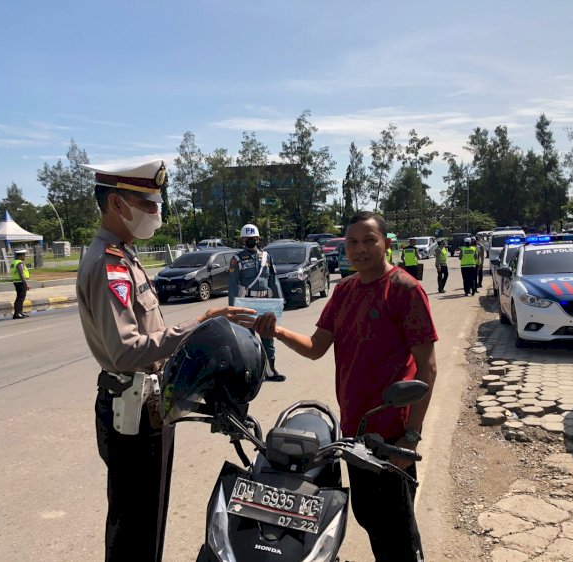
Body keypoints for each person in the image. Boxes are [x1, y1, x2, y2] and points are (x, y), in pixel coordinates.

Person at [76, 159, 255, 562]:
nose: (157, 212)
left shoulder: (124, 255)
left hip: (147, 406)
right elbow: (126, 350)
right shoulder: (109, 264)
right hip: (133, 413)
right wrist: (200, 323)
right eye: (150, 203)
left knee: (146, 522)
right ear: (119, 204)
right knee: (135, 530)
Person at [248, 211, 438, 562]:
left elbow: (427, 367)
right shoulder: (344, 290)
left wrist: (410, 437)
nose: (359, 249)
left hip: (391, 438)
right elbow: (316, 347)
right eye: (352, 242)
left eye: (369, 240)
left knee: (397, 533)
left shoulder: (405, 290)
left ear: (386, 244)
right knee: (370, 518)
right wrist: (277, 332)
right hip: (354, 432)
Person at [228, 223, 286, 382]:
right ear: (242, 240)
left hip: (265, 302)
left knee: (268, 337)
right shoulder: (237, 259)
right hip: (246, 303)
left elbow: (274, 280)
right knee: (248, 339)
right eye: (247, 239)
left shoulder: (267, 258)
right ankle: (252, 374)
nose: (250, 241)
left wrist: (279, 301)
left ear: (258, 239)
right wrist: (232, 309)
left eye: (253, 238)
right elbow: (232, 284)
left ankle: (270, 370)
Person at [10, 248, 30, 319]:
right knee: (20, 298)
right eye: (24, 255)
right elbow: (21, 274)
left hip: (17, 282)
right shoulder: (19, 263)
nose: (24, 257)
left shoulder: (14, 262)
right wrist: (26, 283)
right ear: (20, 256)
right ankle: (17, 313)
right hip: (20, 282)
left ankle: (20, 312)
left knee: (21, 297)